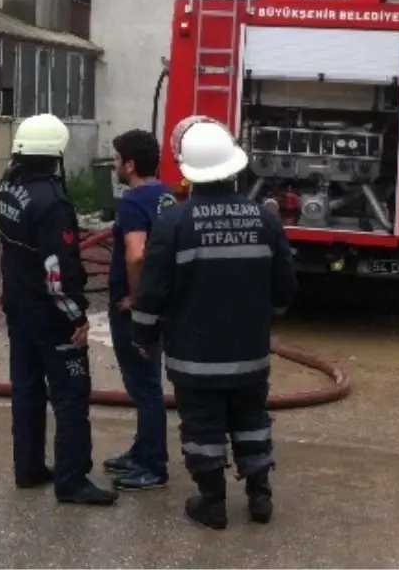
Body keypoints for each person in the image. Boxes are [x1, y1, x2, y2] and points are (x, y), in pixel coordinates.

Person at [130, 117, 297, 530]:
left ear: (190, 172)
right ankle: (259, 496)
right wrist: (266, 319)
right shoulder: (265, 220)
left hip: (194, 358)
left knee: (202, 427)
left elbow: (152, 290)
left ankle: (213, 502)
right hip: (250, 354)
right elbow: (285, 290)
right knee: (251, 420)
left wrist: (143, 334)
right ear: (233, 167)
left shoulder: (174, 223)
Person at [0, 113, 117, 507]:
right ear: (55, 156)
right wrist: (76, 317)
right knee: (70, 395)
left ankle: (27, 467)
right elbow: (57, 273)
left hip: (18, 306)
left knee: (27, 388)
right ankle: (72, 480)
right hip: (49, 315)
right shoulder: (52, 203)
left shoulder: (8, 187)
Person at [102, 129, 175, 491]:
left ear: (129, 164)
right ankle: (141, 450)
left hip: (137, 309)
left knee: (144, 387)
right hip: (163, 301)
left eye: (116, 159)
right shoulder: (166, 196)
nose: (114, 165)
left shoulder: (132, 202)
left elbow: (136, 253)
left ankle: (153, 465)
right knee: (147, 382)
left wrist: (136, 299)